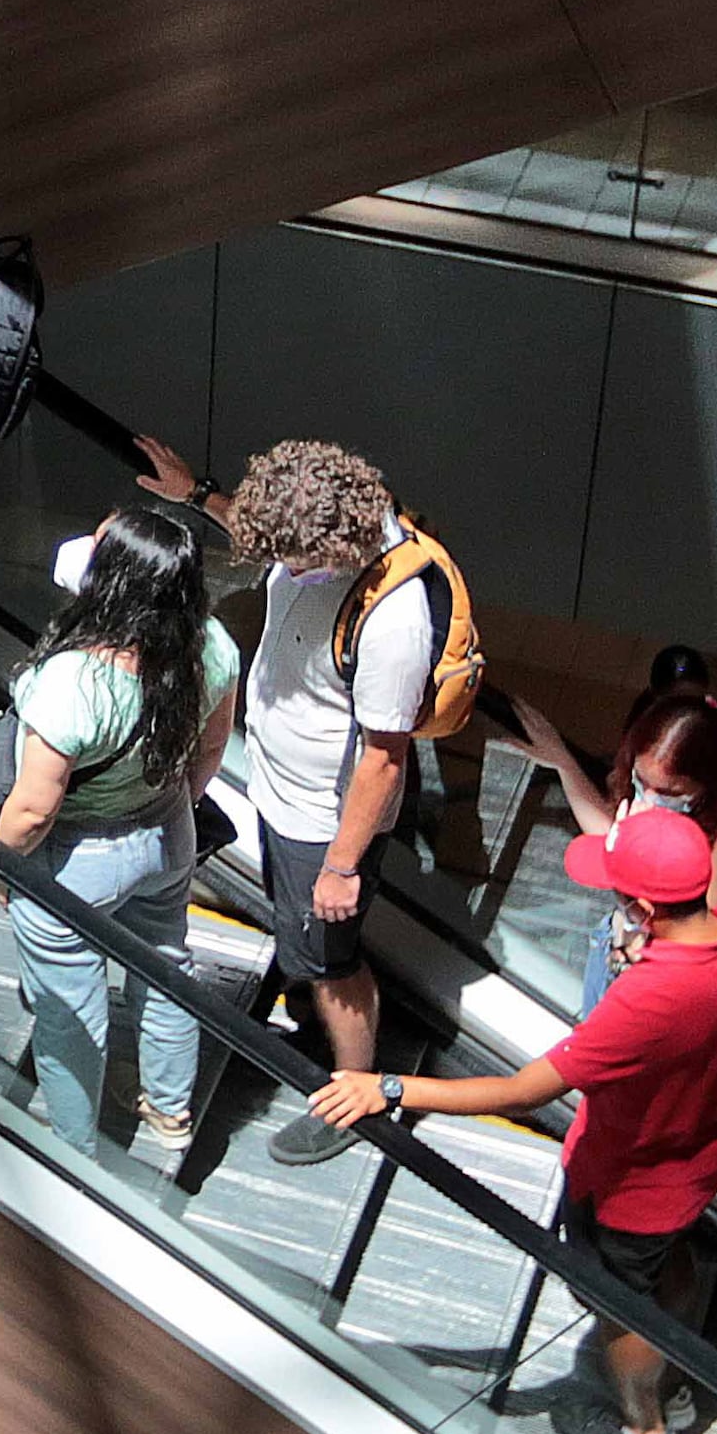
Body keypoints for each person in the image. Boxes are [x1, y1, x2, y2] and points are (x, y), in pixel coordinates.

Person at [320, 806, 717, 1434]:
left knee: (620, 1309)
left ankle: (644, 1429)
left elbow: (522, 1090)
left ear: (645, 906)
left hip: (629, 1187)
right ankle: (674, 1357)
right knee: (666, 1263)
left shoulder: (648, 1000)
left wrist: (389, 1088)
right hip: (702, 1155)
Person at [129, 434, 443, 1164]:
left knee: (333, 962)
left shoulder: (394, 620)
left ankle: (354, 1095)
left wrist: (339, 865)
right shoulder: (329, 532)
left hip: (323, 824)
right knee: (311, 950)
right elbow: (274, 531)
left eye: (293, 559)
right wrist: (196, 495)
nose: (283, 569)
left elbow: (383, 760)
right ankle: (310, 985)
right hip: (285, 797)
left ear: (332, 546)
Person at [0, 503, 237, 1146]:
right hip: (167, 830)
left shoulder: (73, 682)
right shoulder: (213, 647)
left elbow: (35, 806)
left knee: (69, 1011)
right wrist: (169, 802)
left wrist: (1, 866)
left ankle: (72, 1147)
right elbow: (208, 753)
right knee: (165, 966)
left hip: (75, 861)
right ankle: (170, 1111)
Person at [507, 677, 717, 1016]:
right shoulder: (637, 792)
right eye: (641, 782)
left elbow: (695, 941)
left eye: (670, 793)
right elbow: (608, 836)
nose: (651, 798)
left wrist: (634, 881)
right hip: (614, 947)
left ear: (706, 786)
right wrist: (562, 761)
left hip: (653, 981)